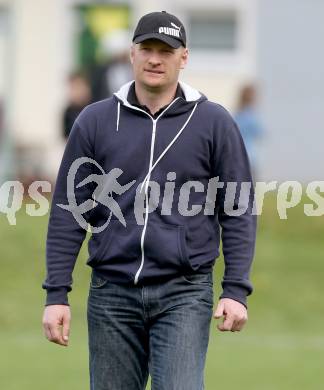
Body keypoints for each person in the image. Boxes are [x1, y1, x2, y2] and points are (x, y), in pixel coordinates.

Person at [42, 10, 257, 390]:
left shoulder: (214, 122)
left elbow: (237, 209)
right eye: (147, 49)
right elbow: (68, 212)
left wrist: (235, 289)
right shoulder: (94, 121)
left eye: (166, 50)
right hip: (112, 293)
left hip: (184, 292)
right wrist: (56, 294)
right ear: (132, 54)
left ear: (183, 58)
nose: (155, 58)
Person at [234, 84, 264, 179]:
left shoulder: (236, 115)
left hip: (236, 158)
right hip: (251, 158)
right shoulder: (252, 116)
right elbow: (261, 133)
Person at [62, 71, 92, 140]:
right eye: (73, 88)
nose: (76, 92)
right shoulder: (68, 111)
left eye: (78, 87)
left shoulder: (96, 109)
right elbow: (66, 137)